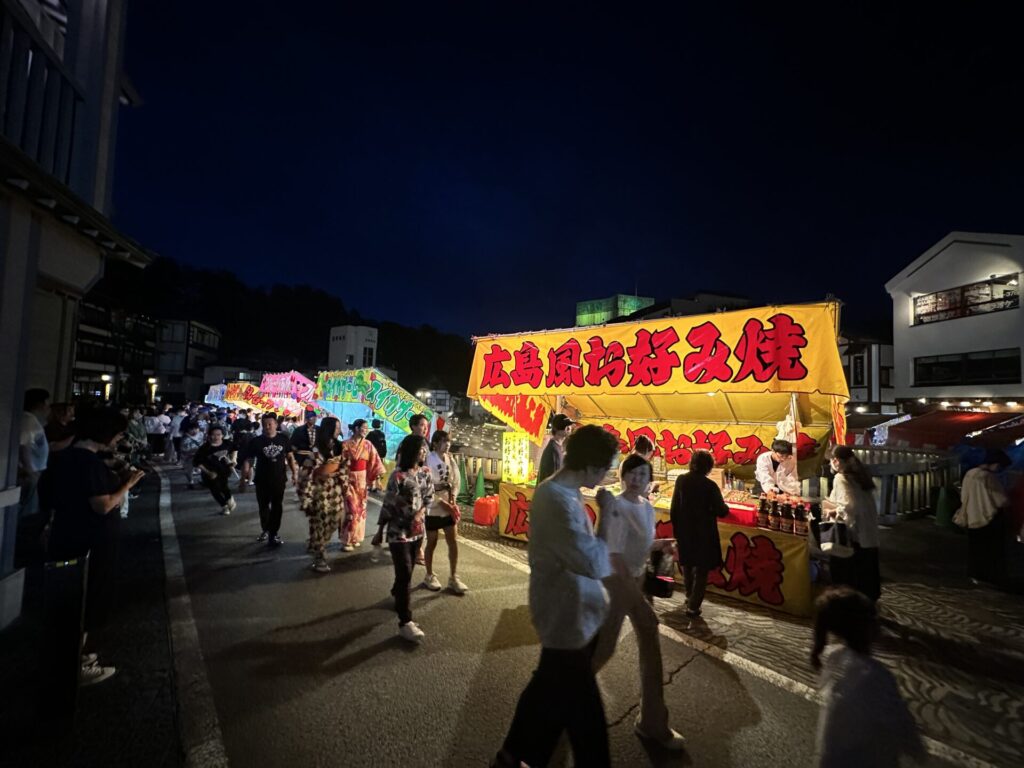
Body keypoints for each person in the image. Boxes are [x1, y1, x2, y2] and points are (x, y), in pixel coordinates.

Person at [493, 425, 618, 768]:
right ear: (592, 467)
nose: (607, 476)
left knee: (548, 693)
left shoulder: (568, 491)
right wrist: (607, 515)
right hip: (565, 617)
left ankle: (513, 754)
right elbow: (592, 562)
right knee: (587, 725)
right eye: (606, 468)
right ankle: (517, 754)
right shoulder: (555, 499)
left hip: (576, 615)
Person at [41, 408, 146, 686]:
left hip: (68, 534)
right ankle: (76, 665)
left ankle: (68, 661)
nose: (118, 439)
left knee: (72, 600)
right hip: (91, 540)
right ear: (105, 433)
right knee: (88, 599)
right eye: (118, 433)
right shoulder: (88, 463)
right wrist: (128, 483)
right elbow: (103, 505)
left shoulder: (67, 457)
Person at [593, 454, 686, 750]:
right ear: (622, 476)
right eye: (632, 473)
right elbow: (612, 553)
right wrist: (636, 597)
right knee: (604, 648)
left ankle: (653, 721)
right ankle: (559, 701)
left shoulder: (646, 507)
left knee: (644, 640)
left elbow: (641, 545)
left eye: (642, 474)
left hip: (635, 581)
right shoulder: (617, 506)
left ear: (649, 479)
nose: (637, 478)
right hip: (616, 583)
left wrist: (662, 545)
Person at [811, 587, 925, 767]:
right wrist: (919, 754)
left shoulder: (833, 659)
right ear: (864, 627)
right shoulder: (875, 676)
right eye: (874, 619)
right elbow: (903, 727)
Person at [379, 434, 433, 642]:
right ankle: (405, 621)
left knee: (407, 574)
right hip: (398, 532)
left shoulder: (426, 474)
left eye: (425, 449)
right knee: (404, 572)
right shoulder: (398, 476)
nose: (423, 452)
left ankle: (397, 593)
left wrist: (420, 514)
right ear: (412, 450)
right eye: (420, 449)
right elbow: (389, 503)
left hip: (417, 531)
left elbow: (429, 497)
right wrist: (379, 531)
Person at [670, 449, 728, 617]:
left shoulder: (681, 480)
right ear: (709, 466)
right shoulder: (710, 486)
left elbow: (674, 508)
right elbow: (721, 510)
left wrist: (677, 530)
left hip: (685, 531)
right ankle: (694, 606)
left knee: (687, 564)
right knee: (701, 570)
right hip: (704, 534)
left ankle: (689, 598)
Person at [822, 445, 881, 601]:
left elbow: (849, 506)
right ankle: (869, 602)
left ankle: (849, 603)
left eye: (835, 460)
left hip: (854, 531)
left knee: (850, 568)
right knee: (868, 568)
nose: (833, 463)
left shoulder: (841, 478)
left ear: (841, 461)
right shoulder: (861, 475)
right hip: (869, 528)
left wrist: (832, 512)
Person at [958, 448, 1012, 587]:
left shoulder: (970, 473)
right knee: (991, 550)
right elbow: (1001, 500)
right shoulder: (989, 477)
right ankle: (990, 577)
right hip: (990, 518)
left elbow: (964, 496)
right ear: (994, 463)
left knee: (975, 549)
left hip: (972, 516)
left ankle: (974, 575)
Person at [423, 430, 468, 594]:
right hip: (433, 508)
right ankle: (429, 574)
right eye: (443, 441)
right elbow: (426, 486)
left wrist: (453, 498)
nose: (447, 444)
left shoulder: (451, 459)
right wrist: (442, 502)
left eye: (448, 441)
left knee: (453, 541)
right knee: (432, 541)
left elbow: (456, 481)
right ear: (435, 443)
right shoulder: (429, 459)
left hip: (448, 505)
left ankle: (453, 576)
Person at [302, 417, 348, 573]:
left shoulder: (340, 447)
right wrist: (305, 495)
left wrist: (337, 475)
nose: (338, 430)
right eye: (336, 428)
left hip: (334, 491)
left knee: (335, 520)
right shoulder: (316, 449)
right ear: (329, 429)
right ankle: (319, 556)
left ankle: (316, 542)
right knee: (319, 524)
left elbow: (344, 466)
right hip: (318, 491)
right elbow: (306, 471)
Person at [240, 413, 292, 546]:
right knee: (263, 507)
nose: (267, 426)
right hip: (262, 480)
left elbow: (290, 456)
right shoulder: (256, 442)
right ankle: (266, 529)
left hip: (279, 479)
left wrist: (295, 473)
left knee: (277, 507)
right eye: (265, 424)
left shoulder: (283, 439)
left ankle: (273, 533)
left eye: (270, 424)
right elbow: (248, 460)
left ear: (276, 424)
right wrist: (243, 480)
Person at [339, 419, 385, 551]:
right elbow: (340, 462)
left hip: (362, 480)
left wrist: (376, 479)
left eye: (367, 428)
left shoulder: (368, 444)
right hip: (348, 479)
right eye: (364, 427)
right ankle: (346, 540)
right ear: (356, 428)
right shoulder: (345, 444)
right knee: (351, 510)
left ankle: (356, 537)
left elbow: (375, 461)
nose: (366, 430)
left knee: (361, 510)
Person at [289, 410, 320, 546]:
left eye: (313, 418)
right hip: (302, 457)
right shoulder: (299, 430)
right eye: (309, 418)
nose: (311, 420)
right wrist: (296, 454)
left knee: (315, 478)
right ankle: (302, 495)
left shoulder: (320, 430)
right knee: (303, 477)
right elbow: (293, 444)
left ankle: (311, 495)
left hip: (317, 458)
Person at [19, 388, 51, 520]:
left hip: (32, 471)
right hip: (30, 472)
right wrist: (29, 470)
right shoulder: (28, 421)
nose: (47, 406)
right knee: (27, 509)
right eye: (46, 402)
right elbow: (23, 445)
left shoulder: (30, 419)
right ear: (39, 404)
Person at [193, 425, 237, 515]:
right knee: (215, 489)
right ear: (209, 436)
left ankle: (229, 499)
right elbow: (197, 462)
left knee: (224, 486)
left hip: (224, 470)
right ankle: (224, 507)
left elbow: (234, 449)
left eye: (218, 434)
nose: (216, 437)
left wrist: (233, 459)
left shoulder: (227, 443)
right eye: (213, 435)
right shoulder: (205, 448)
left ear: (222, 435)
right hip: (210, 472)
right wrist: (208, 472)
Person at [536, 413, 574, 485]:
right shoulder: (554, 451)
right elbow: (554, 482)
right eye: (566, 426)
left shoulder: (555, 447)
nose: (569, 428)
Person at [366, 419, 388, 490]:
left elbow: (367, 443)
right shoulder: (382, 434)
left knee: (371, 470)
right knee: (377, 470)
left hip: (372, 454)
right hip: (380, 455)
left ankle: (371, 485)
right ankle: (376, 485)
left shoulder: (371, 434)